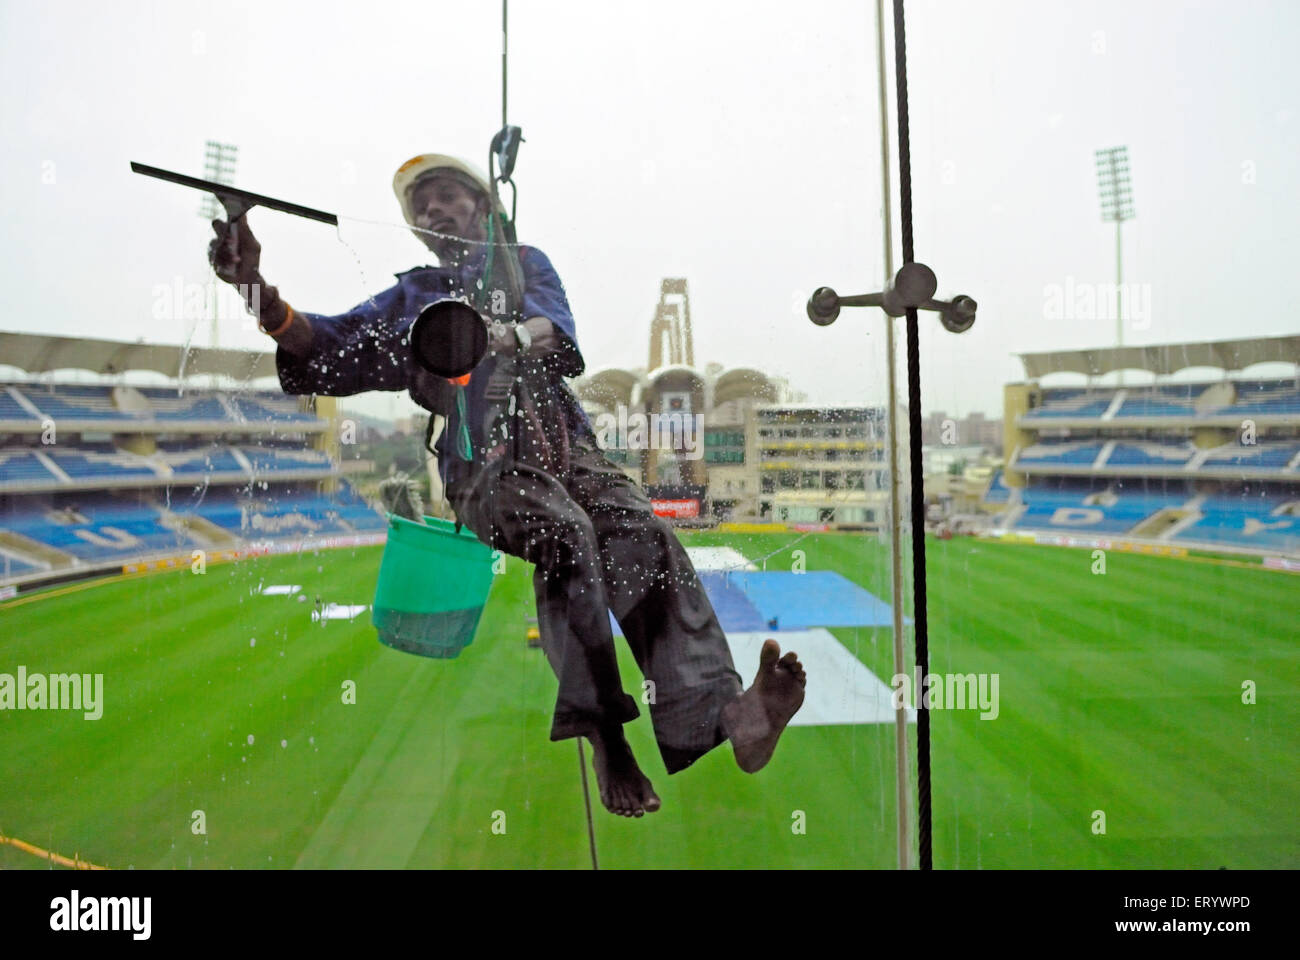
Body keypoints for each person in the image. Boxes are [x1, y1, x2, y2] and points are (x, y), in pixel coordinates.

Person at [209, 153, 806, 817]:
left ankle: (727, 720)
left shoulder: (526, 265)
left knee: (646, 535)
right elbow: (321, 342)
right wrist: (252, 285)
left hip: (566, 444)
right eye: (420, 206)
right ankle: (607, 735)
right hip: (483, 460)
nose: (432, 210)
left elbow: (557, 334)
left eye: (445, 195)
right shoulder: (413, 301)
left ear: (484, 205)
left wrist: (503, 334)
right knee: (566, 532)